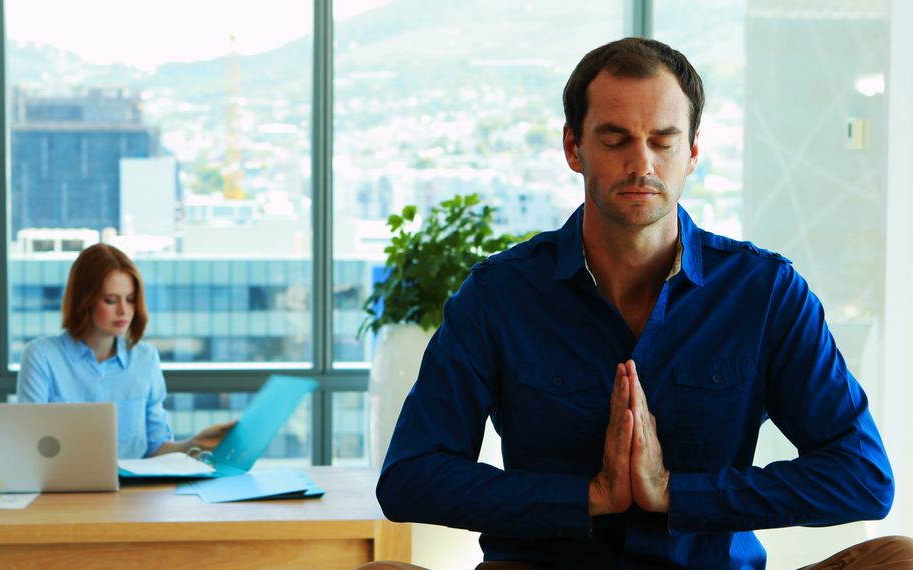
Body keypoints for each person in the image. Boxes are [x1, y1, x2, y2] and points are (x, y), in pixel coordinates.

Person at [372, 38, 912, 569]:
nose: (641, 163)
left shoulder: (765, 292)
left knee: (899, 558)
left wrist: (676, 494)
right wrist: (590, 496)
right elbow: (410, 477)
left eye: (663, 140)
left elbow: (862, 476)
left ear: (693, 150)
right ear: (572, 148)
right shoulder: (498, 296)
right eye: (615, 140)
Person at [17, 243, 236, 460]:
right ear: (84, 302)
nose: (123, 311)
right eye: (110, 300)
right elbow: (29, 445)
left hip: (131, 492)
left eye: (130, 300)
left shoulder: (145, 359)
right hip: (63, 491)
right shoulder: (42, 356)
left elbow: (155, 448)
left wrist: (194, 444)